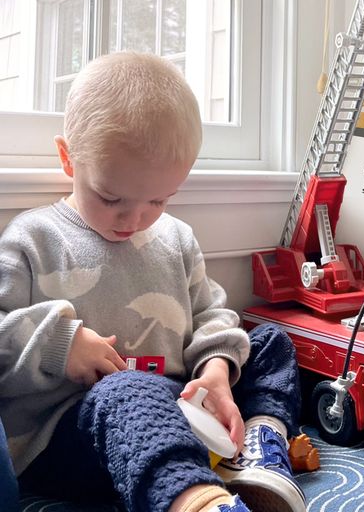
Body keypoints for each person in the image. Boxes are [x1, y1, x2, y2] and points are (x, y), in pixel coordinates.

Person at [0, 52, 306, 512]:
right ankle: (196, 501)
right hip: (76, 436)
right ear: (68, 158)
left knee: (269, 342)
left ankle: (259, 454)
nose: (134, 218)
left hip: (183, 407)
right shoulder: (33, 237)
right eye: (110, 197)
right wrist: (57, 345)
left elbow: (212, 314)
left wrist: (217, 371)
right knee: (128, 391)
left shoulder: (175, 237)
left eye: (158, 200)